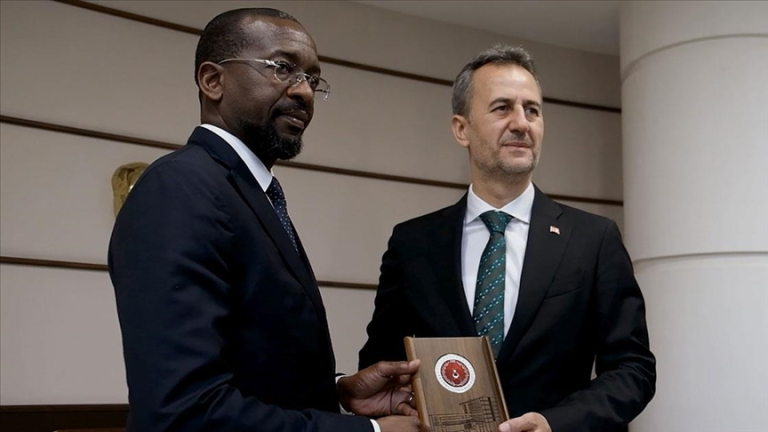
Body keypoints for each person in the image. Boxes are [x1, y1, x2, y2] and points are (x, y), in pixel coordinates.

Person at [108, 8, 420, 432]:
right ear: (212, 80)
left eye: (313, 79)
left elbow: (255, 361)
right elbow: (184, 411)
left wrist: (339, 390)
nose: (304, 92)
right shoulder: (179, 188)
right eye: (282, 68)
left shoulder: (248, 193)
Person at [358, 45, 656, 432]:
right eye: (502, 108)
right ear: (461, 129)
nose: (521, 123)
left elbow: (633, 369)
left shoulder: (593, 239)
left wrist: (555, 423)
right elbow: (380, 364)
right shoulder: (412, 243)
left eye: (532, 110)